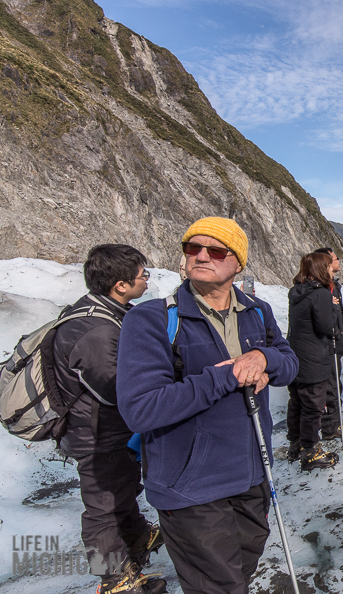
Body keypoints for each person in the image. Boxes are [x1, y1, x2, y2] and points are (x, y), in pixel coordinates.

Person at [116, 217, 299, 594]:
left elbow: (289, 361)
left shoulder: (256, 310)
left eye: (215, 250)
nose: (201, 256)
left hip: (252, 475)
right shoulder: (151, 319)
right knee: (221, 587)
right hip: (191, 486)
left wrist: (265, 359)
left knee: (240, 573)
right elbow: (141, 408)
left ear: (238, 263)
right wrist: (226, 375)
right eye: (192, 248)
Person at [52, 244, 166, 594]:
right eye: (142, 276)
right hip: (96, 434)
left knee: (120, 491)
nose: (146, 281)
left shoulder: (106, 313)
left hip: (108, 431)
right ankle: (115, 579)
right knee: (102, 507)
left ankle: (135, 541)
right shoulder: (96, 330)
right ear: (121, 284)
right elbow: (118, 387)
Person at [285, 252, 339, 470]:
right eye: (327, 267)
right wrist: (333, 307)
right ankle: (311, 451)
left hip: (295, 356)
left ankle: (296, 445)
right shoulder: (321, 295)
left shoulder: (295, 292)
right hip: (313, 358)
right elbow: (325, 327)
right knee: (313, 406)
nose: (330, 270)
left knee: (297, 402)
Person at [314, 247, 343, 441]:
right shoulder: (323, 288)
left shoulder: (333, 286)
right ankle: (331, 426)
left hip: (334, 339)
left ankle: (333, 422)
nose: (338, 261)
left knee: (334, 383)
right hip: (326, 344)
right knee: (331, 385)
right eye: (335, 258)